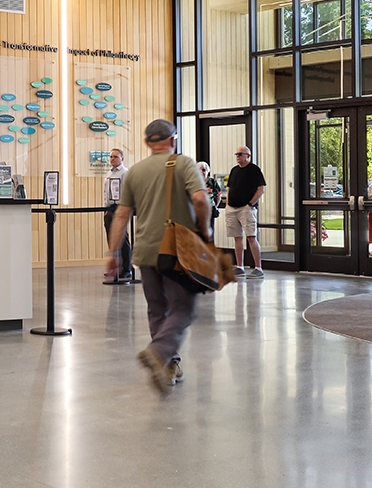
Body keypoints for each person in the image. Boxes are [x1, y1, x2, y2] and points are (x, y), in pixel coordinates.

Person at [105, 118, 208, 395]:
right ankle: (159, 350)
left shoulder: (135, 172)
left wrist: (114, 252)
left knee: (157, 309)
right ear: (173, 140)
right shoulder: (183, 163)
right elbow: (200, 199)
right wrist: (204, 230)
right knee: (184, 308)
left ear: (147, 142)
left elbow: (122, 215)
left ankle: (169, 365)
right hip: (177, 251)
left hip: (146, 251)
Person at [223, 145, 267, 277]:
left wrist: (250, 204)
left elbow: (261, 189)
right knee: (237, 237)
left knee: (251, 237)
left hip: (246, 208)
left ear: (248, 156)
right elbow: (230, 187)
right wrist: (227, 203)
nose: (238, 156)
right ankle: (239, 266)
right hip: (232, 208)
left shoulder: (254, 170)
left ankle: (258, 268)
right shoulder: (234, 170)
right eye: (237, 154)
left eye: (241, 154)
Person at [102, 147, 133, 284]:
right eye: (111, 157)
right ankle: (116, 267)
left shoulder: (125, 173)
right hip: (108, 208)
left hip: (119, 208)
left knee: (122, 238)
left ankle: (127, 268)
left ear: (122, 158)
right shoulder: (108, 174)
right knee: (111, 238)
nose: (112, 159)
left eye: (115, 156)